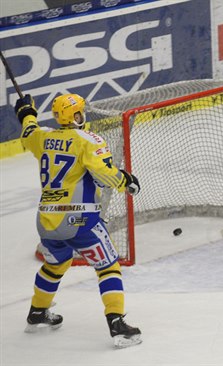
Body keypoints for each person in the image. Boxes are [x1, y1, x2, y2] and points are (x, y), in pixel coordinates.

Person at [15, 93, 142, 348]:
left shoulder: (43, 136)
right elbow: (104, 172)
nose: (80, 115)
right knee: (108, 266)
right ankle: (117, 325)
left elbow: (28, 131)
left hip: (47, 222)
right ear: (73, 116)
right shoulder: (88, 139)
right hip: (81, 220)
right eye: (77, 112)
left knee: (55, 265)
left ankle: (37, 312)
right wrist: (126, 181)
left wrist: (26, 112)